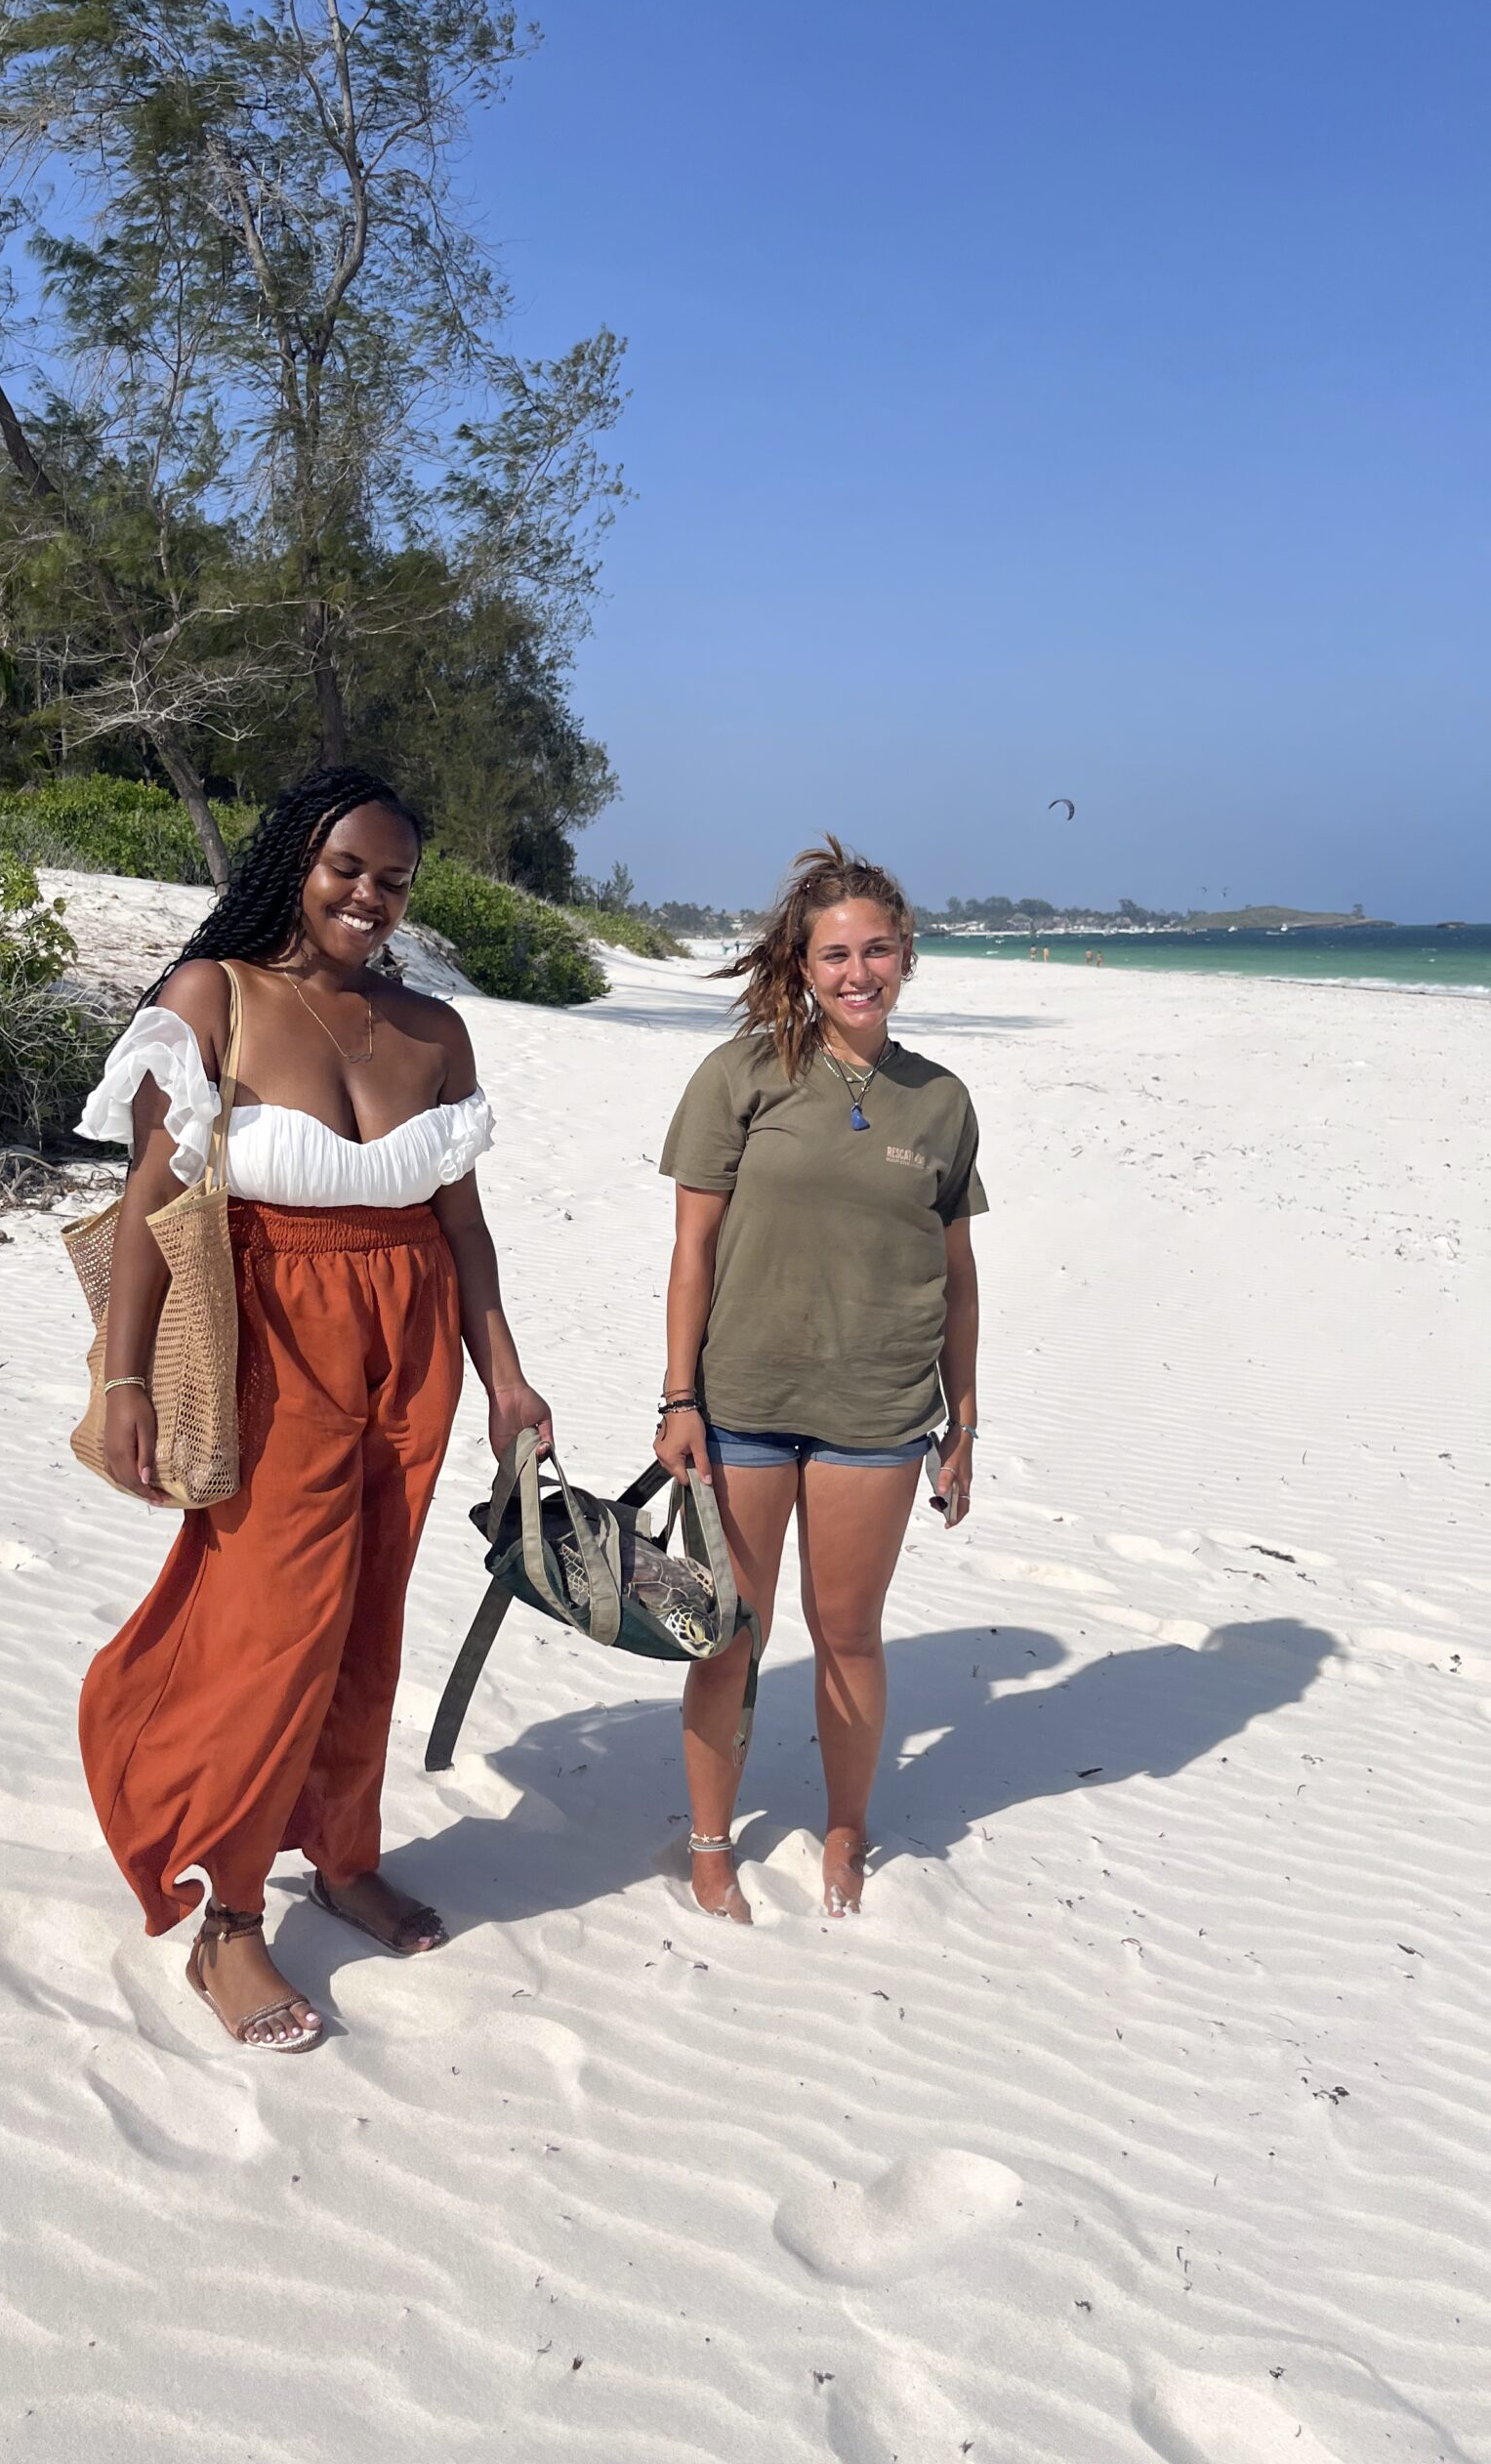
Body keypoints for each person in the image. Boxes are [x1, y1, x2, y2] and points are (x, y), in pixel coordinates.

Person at [74, 765, 552, 2052]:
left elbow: (464, 1225)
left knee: (368, 1617)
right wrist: (119, 1379)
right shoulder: (212, 1000)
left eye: (394, 880)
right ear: (298, 861)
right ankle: (230, 1921)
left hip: (411, 1344)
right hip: (275, 1339)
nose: (371, 897)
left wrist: (504, 1369)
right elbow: (148, 1214)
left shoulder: (433, 1032)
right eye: (350, 868)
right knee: (273, 1621)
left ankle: (342, 1855)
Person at [652, 838, 985, 1923]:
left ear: (907, 956)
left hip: (878, 1414)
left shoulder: (938, 1101)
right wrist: (677, 1398)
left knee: (848, 1631)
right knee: (731, 1632)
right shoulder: (742, 1073)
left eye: (877, 949)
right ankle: (710, 1842)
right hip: (742, 1404)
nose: (857, 972)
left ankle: (847, 1830)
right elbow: (691, 1252)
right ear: (800, 964)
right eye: (834, 953)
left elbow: (958, 1273)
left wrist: (964, 1420)